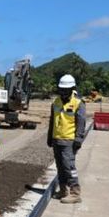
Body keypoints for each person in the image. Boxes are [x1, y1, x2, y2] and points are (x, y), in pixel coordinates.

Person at [47, 74, 86, 204]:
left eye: (66, 89)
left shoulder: (78, 103)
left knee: (69, 167)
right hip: (57, 139)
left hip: (69, 141)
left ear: (72, 88)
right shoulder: (56, 102)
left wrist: (78, 140)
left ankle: (75, 193)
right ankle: (63, 190)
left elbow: (81, 123)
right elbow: (52, 121)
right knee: (60, 166)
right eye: (61, 89)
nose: (63, 92)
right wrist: (49, 137)